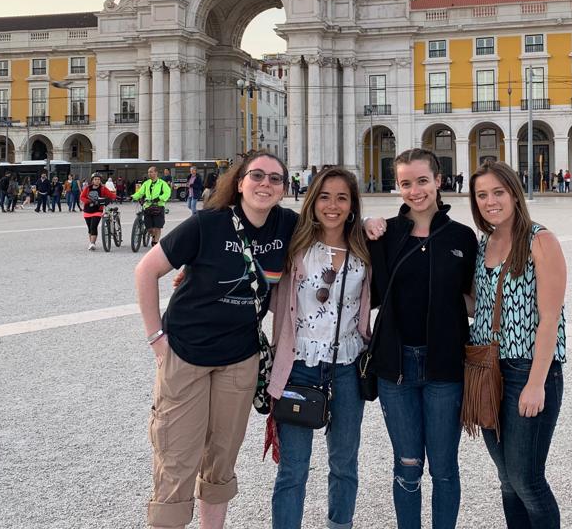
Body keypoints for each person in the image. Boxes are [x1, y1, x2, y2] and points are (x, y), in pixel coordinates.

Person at [134, 151, 298, 529]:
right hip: (187, 354)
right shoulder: (207, 224)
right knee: (177, 458)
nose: (265, 184)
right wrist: (156, 337)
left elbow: (332, 223)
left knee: (222, 459)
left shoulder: (287, 225)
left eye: (275, 178)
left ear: (283, 189)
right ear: (239, 182)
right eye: (257, 175)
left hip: (240, 358)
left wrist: (368, 222)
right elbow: (145, 270)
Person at [368, 148, 478, 529]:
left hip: (445, 366)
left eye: (422, 181)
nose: (414, 191)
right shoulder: (384, 234)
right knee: (407, 466)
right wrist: (364, 224)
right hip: (395, 367)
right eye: (405, 183)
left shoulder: (462, 237)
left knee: (444, 469)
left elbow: (474, 300)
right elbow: (364, 288)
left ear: (438, 181)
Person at [268, 167, 372, 529]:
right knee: (293, 468)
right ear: (312, 202)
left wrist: (373, 224)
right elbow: (251, 263)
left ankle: (340, 524)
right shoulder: (294, 245)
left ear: (352, 205)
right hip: (299, 364)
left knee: (344, 463)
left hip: (347, 366)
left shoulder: (365, 248)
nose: (333, 205)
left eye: (342, 198)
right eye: (325, 197)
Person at [467, 161, 567, 527]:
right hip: (487, 370)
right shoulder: (484, 244)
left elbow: (550, 317)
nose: (490, 201)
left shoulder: (540, 240)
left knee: (527, 479)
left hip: (528, 369)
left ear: (514, 193)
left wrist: (536, 383)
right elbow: (479, 305)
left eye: (498, 192)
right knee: (507, 480)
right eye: (482, 195)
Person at [132, 166, 172, 245]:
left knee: (157, 227)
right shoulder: (146, 183)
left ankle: (155, 242)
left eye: (151, 172)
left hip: (159, 207)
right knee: (149, 228)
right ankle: (153, 235)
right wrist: (133, 196)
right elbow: (140, 193)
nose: (149, 173)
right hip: (148, 207)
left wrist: (159, 198)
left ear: (156, 173)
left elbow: (167, 193)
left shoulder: (162, 183)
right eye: (148, 172)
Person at [82, 173, 118, 251]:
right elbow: (82, 197)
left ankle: (92, 243)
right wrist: (89, 201)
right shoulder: (87, 188)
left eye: (98, 179)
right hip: (87, 211)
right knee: (89, 228)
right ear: (92, 180)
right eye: (95, 179)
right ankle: (91, 243)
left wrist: (116, 197)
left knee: (93, 226)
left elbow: (110, 195)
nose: (97, 181)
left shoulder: (103, 188)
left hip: (98, 210)